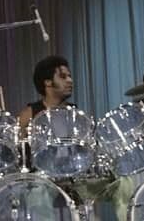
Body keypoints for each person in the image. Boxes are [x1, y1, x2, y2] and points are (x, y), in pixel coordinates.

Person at [18, 56, 135, 221]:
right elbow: (18, 151)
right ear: (48, 82)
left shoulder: (76, 113)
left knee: (123, 181)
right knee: (37, 192)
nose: (70, 81)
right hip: (46, 178)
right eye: (63, 76)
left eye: (70, 76)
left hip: (78, 178)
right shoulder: (30, 114)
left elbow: (90, 148)